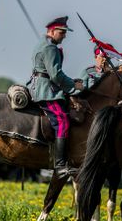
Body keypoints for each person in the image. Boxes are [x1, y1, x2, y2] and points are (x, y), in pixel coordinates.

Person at [27, 16, 84, 178]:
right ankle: (60, 165)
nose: (64, 35)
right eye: (62, 32)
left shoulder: (44, 44)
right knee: (62, 120)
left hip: (42, 86)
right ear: (52, 31)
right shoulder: (50, 48)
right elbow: (56, 76)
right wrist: (74, 86)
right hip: (46, 90)